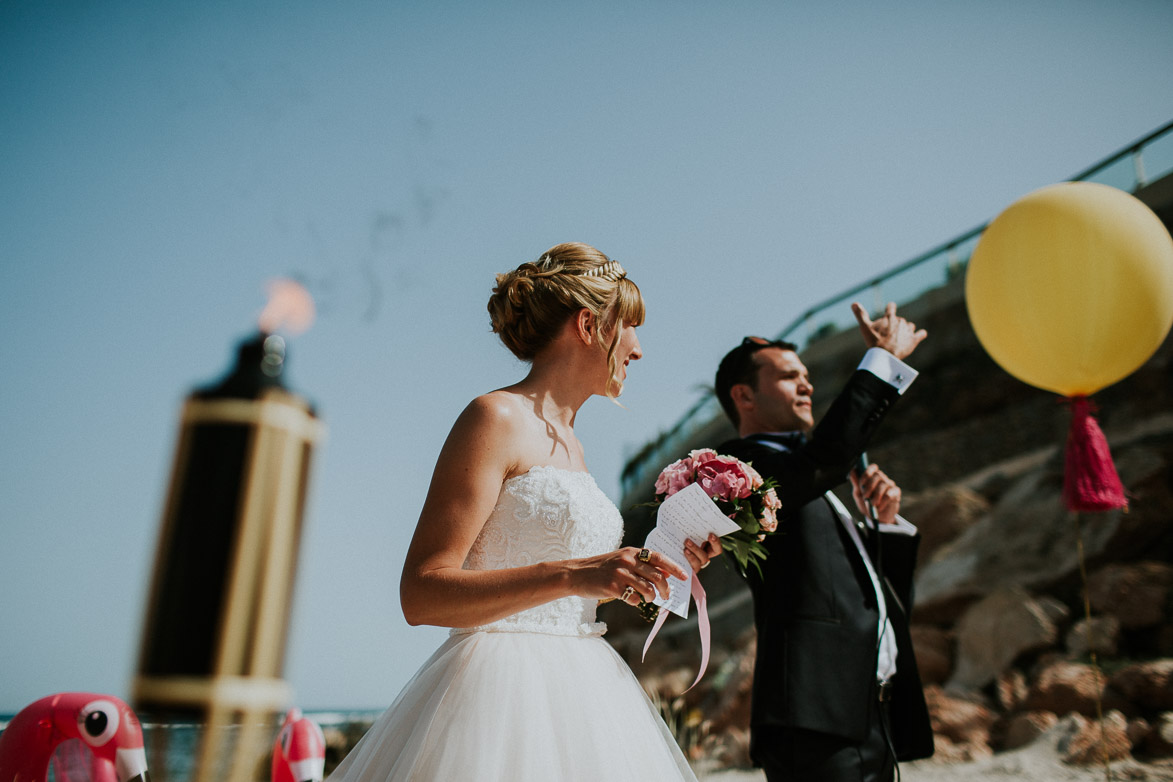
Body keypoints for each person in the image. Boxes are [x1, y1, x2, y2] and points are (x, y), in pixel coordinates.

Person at [327, 242, 722, 781]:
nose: (638, 349)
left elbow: (576, 590)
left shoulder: (576, 446)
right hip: (491, 698)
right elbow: (420, 594)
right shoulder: (494, 417)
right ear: (589, 325)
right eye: (629, 326)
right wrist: (575, 573)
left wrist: (658, 568)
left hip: (587, 693)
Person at [713, 302, 935, 782]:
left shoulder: (813, 485)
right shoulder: (735, 472)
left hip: (868, 715)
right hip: (811, 719)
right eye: (791, 376)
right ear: (744, 396)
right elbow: (828, 456)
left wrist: (887, 527)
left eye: (808, 375)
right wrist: (882, 362)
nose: (808, 385)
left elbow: (874, 606)